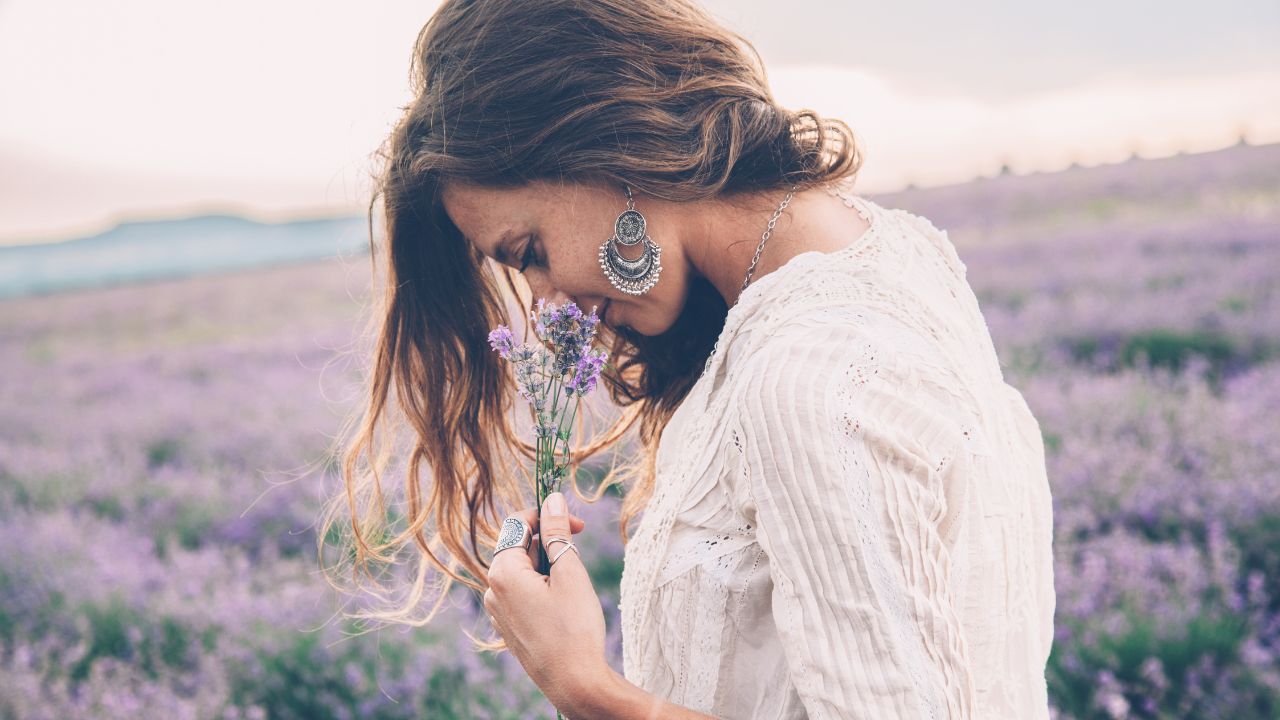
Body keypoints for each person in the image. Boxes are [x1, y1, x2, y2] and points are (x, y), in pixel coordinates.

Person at [321, 0, 1056, 718]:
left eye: (530, 251)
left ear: (604, 148)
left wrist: (587, 689)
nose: (546, 305)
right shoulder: (897, 252)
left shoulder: (807, 377)